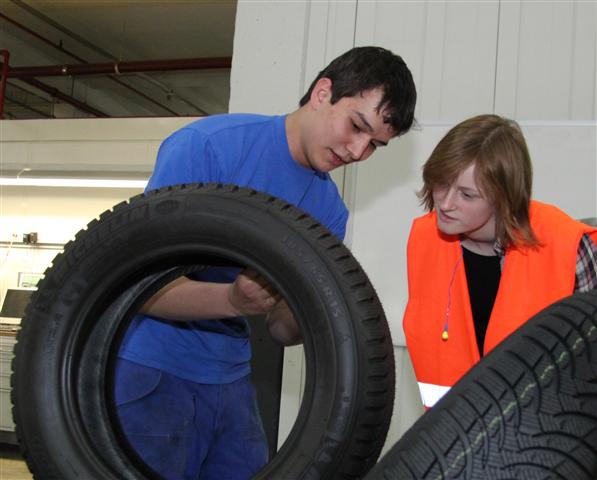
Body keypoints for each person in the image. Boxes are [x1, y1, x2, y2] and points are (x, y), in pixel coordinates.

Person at [115, 46, 417, 480]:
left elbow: (278, 327)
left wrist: (328, 306)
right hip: (153, 370)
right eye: (356, 126)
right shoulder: (210, 148)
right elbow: (137, 287)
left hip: (232, 377)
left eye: (375, 146)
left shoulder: (328, 210)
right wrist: (234, 300)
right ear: (322, 93)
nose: (357, 151)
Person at [403, 114, 597, 410]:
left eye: (467, 195)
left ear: (503, 198)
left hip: (548, 434)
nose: (445, 203)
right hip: (452, 431)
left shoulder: (569, 246)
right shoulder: (425, 239)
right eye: (441, 184)